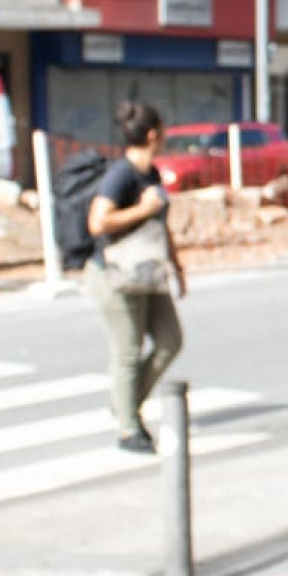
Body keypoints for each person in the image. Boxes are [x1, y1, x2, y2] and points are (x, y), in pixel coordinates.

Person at [85, 100, 185, 455]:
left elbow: (160, 225)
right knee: (127, 351)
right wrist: (143, 208)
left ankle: (126, 401)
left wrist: (176, 265)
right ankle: (128, 427)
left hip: (147, 272)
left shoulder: (150, 173)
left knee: (170, 340)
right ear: (153, 134)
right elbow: (97, 222)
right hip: (114, 276)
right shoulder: (121, 175)